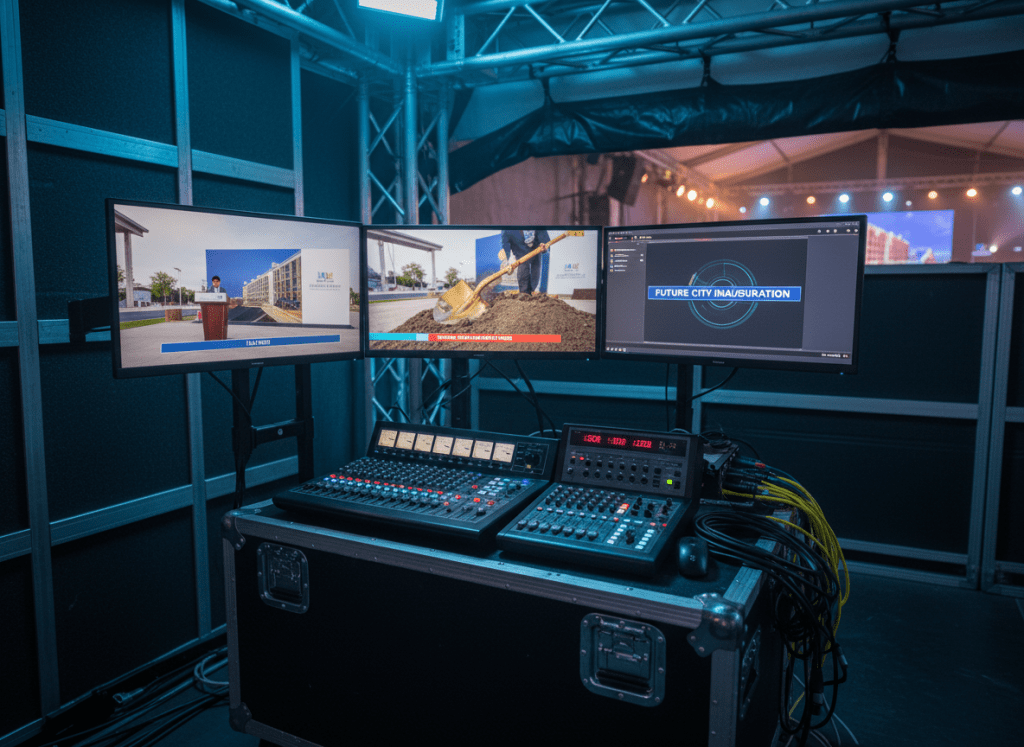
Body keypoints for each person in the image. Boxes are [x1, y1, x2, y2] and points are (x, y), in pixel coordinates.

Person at [500, 229, 550, 295]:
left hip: (536, 250)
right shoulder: (508, 226)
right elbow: (505, 241)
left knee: (535, 273)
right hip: (519, 250)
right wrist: (508, 257)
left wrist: (544, 245)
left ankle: (532, 291)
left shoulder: (537, 222)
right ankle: (524, 294)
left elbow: (545, 239)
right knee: (523, 269)